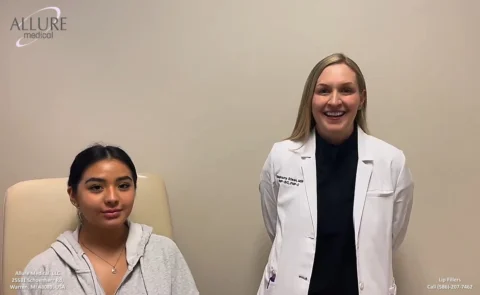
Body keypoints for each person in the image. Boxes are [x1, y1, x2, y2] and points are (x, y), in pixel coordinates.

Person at [257, 53, 414, 295]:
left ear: (362, 98)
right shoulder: (282, 157)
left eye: (346, 90)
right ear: (311, 98)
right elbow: (277, 229)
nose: (334, 101)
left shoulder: (391, 162)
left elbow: (391, 237)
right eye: (323, 90)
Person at [18, 144, 199, 295]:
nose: (112, 198)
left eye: (123, 186)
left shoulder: (165, 253)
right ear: (73, 195)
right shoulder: (42, 270)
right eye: (96, 187)